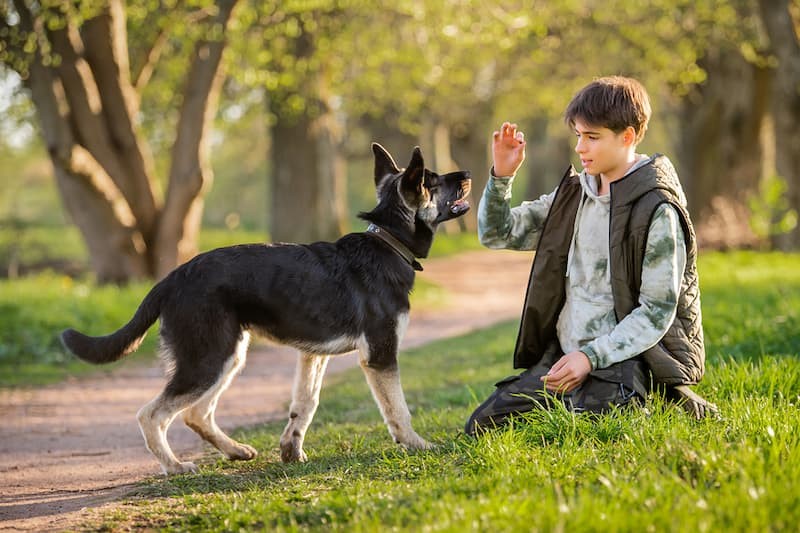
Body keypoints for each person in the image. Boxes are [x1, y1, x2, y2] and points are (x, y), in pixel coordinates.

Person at [465, 76, 717, 436]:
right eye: (578, 135)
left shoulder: (658, 209)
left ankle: (664, 396)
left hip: (625, 358)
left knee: (595, 429)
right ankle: (582, 398)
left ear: (627, 136)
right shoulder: (574, 194)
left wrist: (591, 357)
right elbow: (497, 233)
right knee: (483, 426)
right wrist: (502, 177)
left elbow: (657, 310)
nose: (580, 147)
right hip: (565, 356)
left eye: (592, 137)